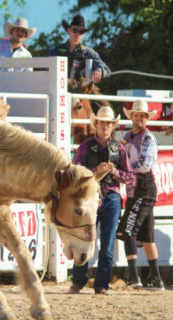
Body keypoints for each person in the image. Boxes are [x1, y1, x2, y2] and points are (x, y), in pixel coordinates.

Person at [69, 105, 134, 295]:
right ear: (96, 124)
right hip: (91, 197)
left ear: (113, 126)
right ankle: (79, 281)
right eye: (102, 122)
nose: (105, 126)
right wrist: (95, 172)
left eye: (108, 123)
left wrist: (114, 172)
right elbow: (75, 173)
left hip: (111, 197)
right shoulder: (85, 147)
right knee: (84, 239)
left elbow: (129, 177)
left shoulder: (119, 150)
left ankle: (101, 284)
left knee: (106, 244)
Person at [117, 100, 165, 290]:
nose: (139, 118)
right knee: (146, 236)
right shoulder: (128, 137)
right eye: (136, 115)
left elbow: (144, 166)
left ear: (146, 118)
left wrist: (124, 169)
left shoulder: (148, 139)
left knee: (127, 230)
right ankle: (156, 279)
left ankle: (134, 277)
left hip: (143, 189)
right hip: (136, 190)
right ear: (132, 117)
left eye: (142, 116)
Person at [48, 15, 110, 86]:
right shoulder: (57, 50)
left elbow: (105, 69)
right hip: (59, 90)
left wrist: (98, 71)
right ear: (69, 31)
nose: (78, 34)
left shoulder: (87, 52)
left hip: (79, 92)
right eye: (75, 30)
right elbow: (45, 69)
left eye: (81, 31)